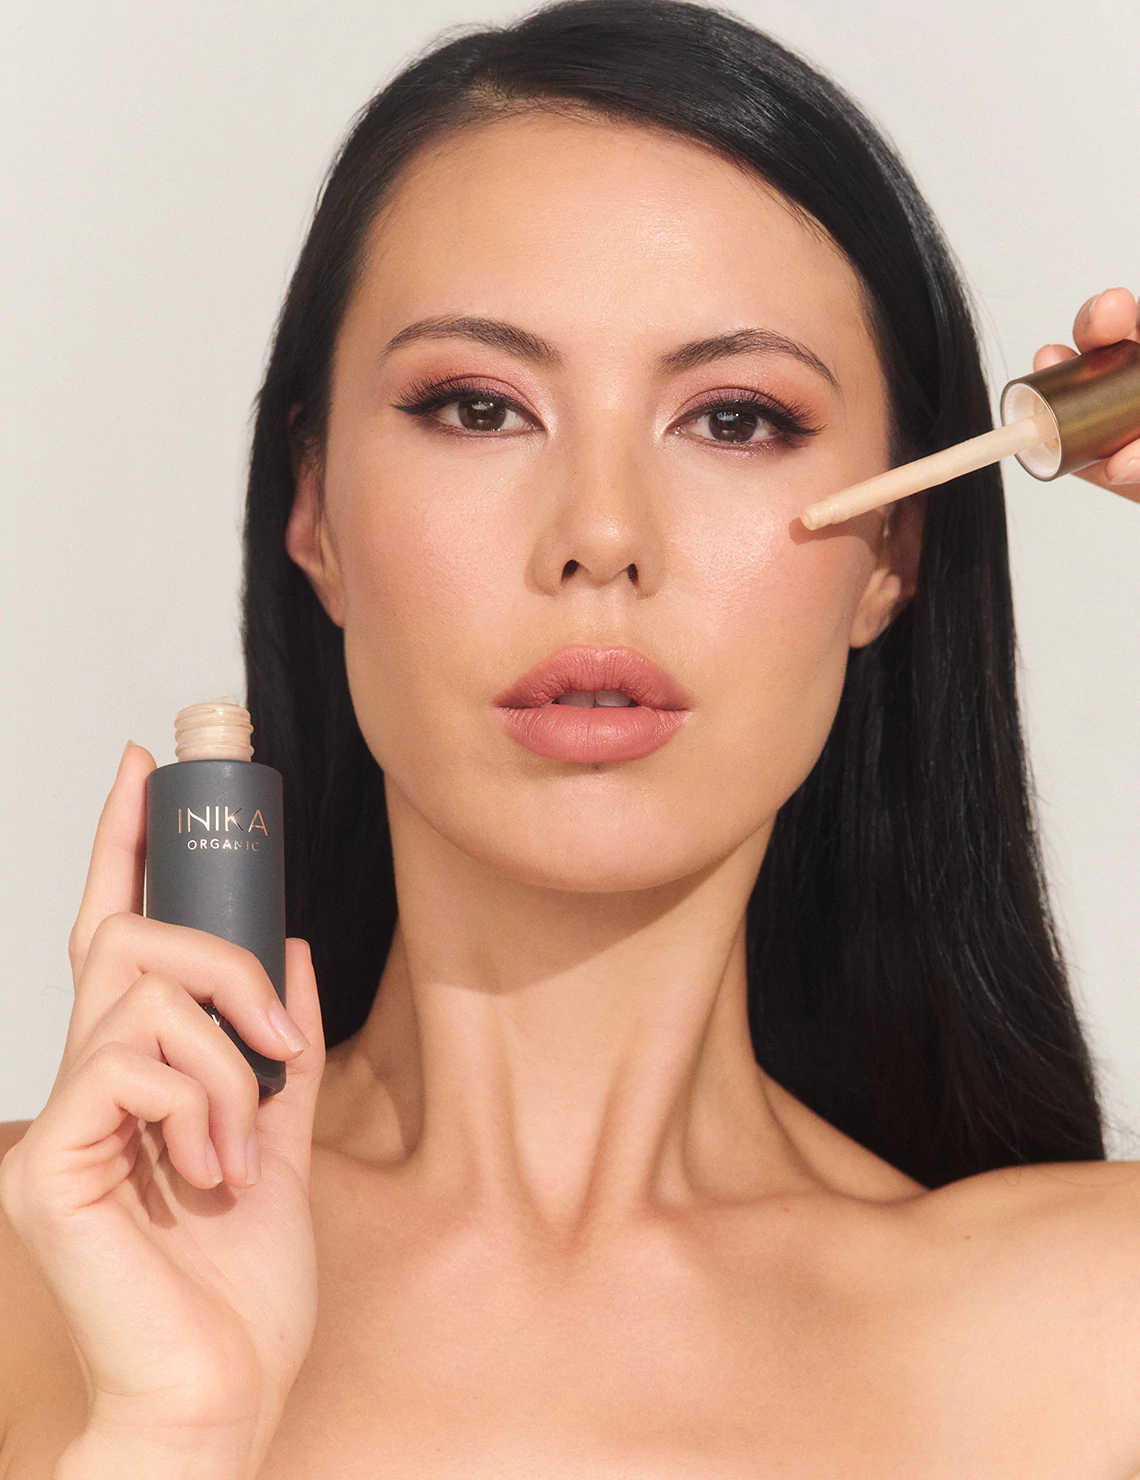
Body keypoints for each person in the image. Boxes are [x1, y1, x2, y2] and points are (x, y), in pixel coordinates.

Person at [2, 1, 1138, 1474]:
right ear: (315, 510)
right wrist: (170, 1430)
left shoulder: (1092, 1331)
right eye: (479, 407)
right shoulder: (49, 1260)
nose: (601, 535)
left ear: (894, 555)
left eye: (735, 421)